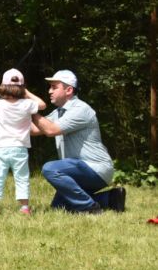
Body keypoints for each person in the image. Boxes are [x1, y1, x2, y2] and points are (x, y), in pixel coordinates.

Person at [31, 69, 124, 213]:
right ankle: (111, 198)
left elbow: (50, 130)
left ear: (68, 90)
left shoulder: (80, 109)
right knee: (59, 207)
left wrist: (30, 110)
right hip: (79, 169)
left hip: (96, 168)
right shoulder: (59, 112)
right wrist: (15, 109)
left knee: (50, 168)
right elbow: (34, 129)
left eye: (54, 87)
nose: (50, 91)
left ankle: (90, 207)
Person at [0, 68, 46, 216]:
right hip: (20, 148)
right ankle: (24, 208)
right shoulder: (27, 104)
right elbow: (42, 105)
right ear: (22, 87)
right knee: (22, 178)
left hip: (1, 147)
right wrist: (26, 93)